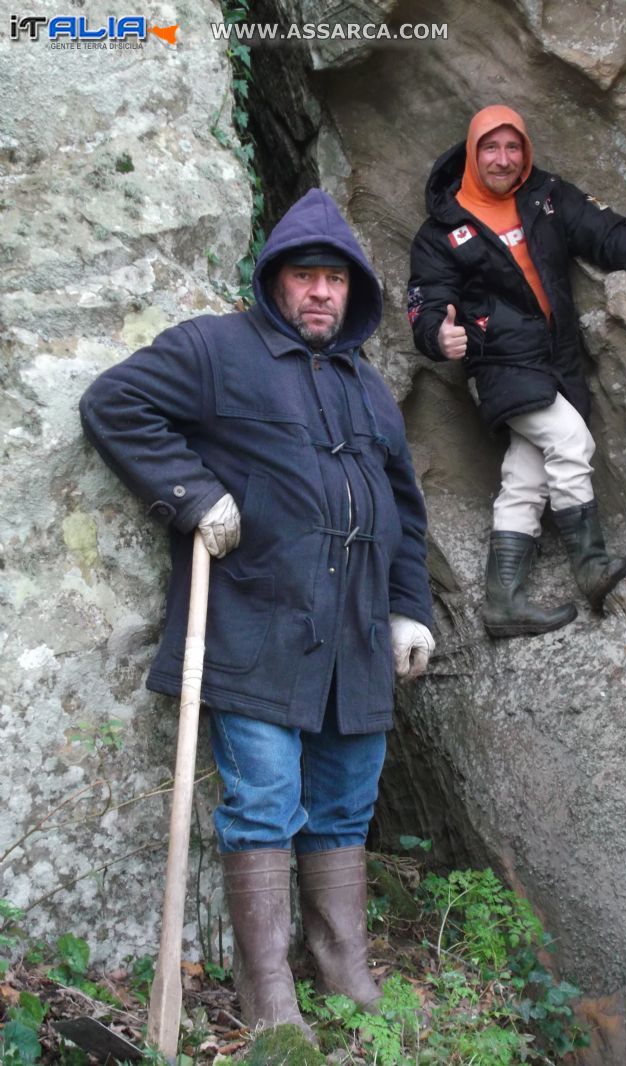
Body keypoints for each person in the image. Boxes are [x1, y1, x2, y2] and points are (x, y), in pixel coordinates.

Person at [79, 189, 435, 1040]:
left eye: (335, 280)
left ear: (354, 293)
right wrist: (192, 494)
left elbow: (404, 511)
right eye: (306, 276)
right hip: (256, 626)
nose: (320, 292)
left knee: (347, 805)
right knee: (265, 803)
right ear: (276, 280)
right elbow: (113, 403)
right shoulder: (216, 349)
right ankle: (268, 992)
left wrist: (408, 610)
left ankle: (343, 967)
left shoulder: (369, 389)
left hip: (354, 640)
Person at [408, 105, 626, 637]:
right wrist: (435, 334)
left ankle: (503, 603)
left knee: (526, 475)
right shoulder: (442, 230)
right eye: (490, 148)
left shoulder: (546, 197)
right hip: (498, 363)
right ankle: (591, 566)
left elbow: (605, 233)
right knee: (569, 440)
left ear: (526, 152)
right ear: (472, 153)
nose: (503, 159)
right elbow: (426, 301)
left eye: (513, 147)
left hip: (557, 360)